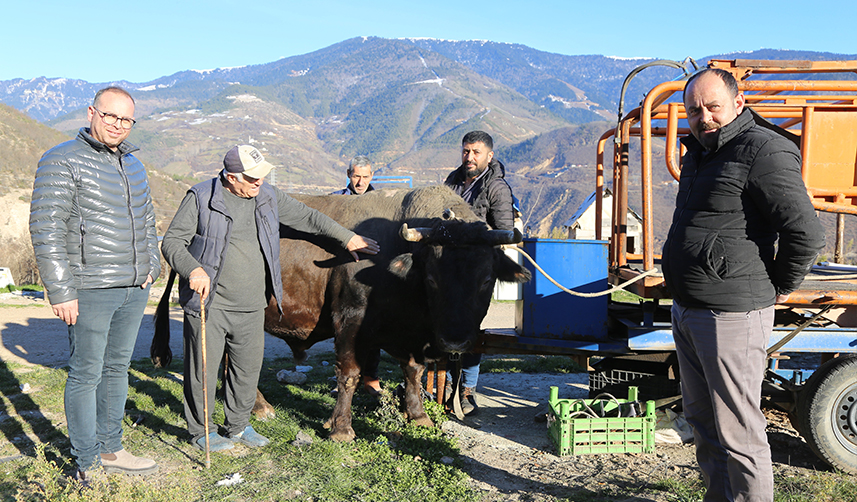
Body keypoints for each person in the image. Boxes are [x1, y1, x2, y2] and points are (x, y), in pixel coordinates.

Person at [662, 68, 824, 502]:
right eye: (694, 110)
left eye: (713, 107)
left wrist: (780, 286)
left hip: (731, 313)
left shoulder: (763, 149)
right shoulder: (699, 152)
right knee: (703, 424)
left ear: (738, 102)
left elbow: (805, 233)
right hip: (689, 307)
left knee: (739, 433)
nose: (704, 117)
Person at [161, 145, 380, 452]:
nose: (259, 182)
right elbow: (172, 242)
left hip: (254, 303)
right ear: (231, 177)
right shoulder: (201, 197)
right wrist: (193, 269)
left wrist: (347, 237)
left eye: (262, 176)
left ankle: (238, 426)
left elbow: (308, 217)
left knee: (246, 369)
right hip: (211, 302)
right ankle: (202, 431)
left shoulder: (266, 196)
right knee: (204, 371)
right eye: (252, 178)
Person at [29, 87, 161, 483]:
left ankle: (111, 448)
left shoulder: (134, 165)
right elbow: (46, 228)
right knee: (86, 374)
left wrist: (151, 266)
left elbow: (147, 221)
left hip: (133, 287)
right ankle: (86, 462)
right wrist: (61, 290)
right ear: (91, 112)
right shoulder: (62, 159)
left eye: (126, 120)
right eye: (110, 116)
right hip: (88, 288)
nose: (118, 125)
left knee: (117, 368)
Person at [443, 130, 516, 415]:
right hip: (451, 268)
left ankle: (467, 389)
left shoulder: (497, 188)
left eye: (476, 152)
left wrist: (474, 230)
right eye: (466, 151)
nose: (469, 157)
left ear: (489, 155)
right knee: (447, 324)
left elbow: (505, 232)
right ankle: (447, 384)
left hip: (478, 273)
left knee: (471, 327)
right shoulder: (452, 181)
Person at [330, 155, 381, 396]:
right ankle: (342, 378)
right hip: (340, 269)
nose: (360, 182)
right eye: (356, 176)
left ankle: (371, 377)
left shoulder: (380, 202)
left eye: (365, 176)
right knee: (343, 328)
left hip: (370, 273)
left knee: (372, 325)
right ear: (348, 175)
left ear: (372, 176)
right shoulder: (337, 201)